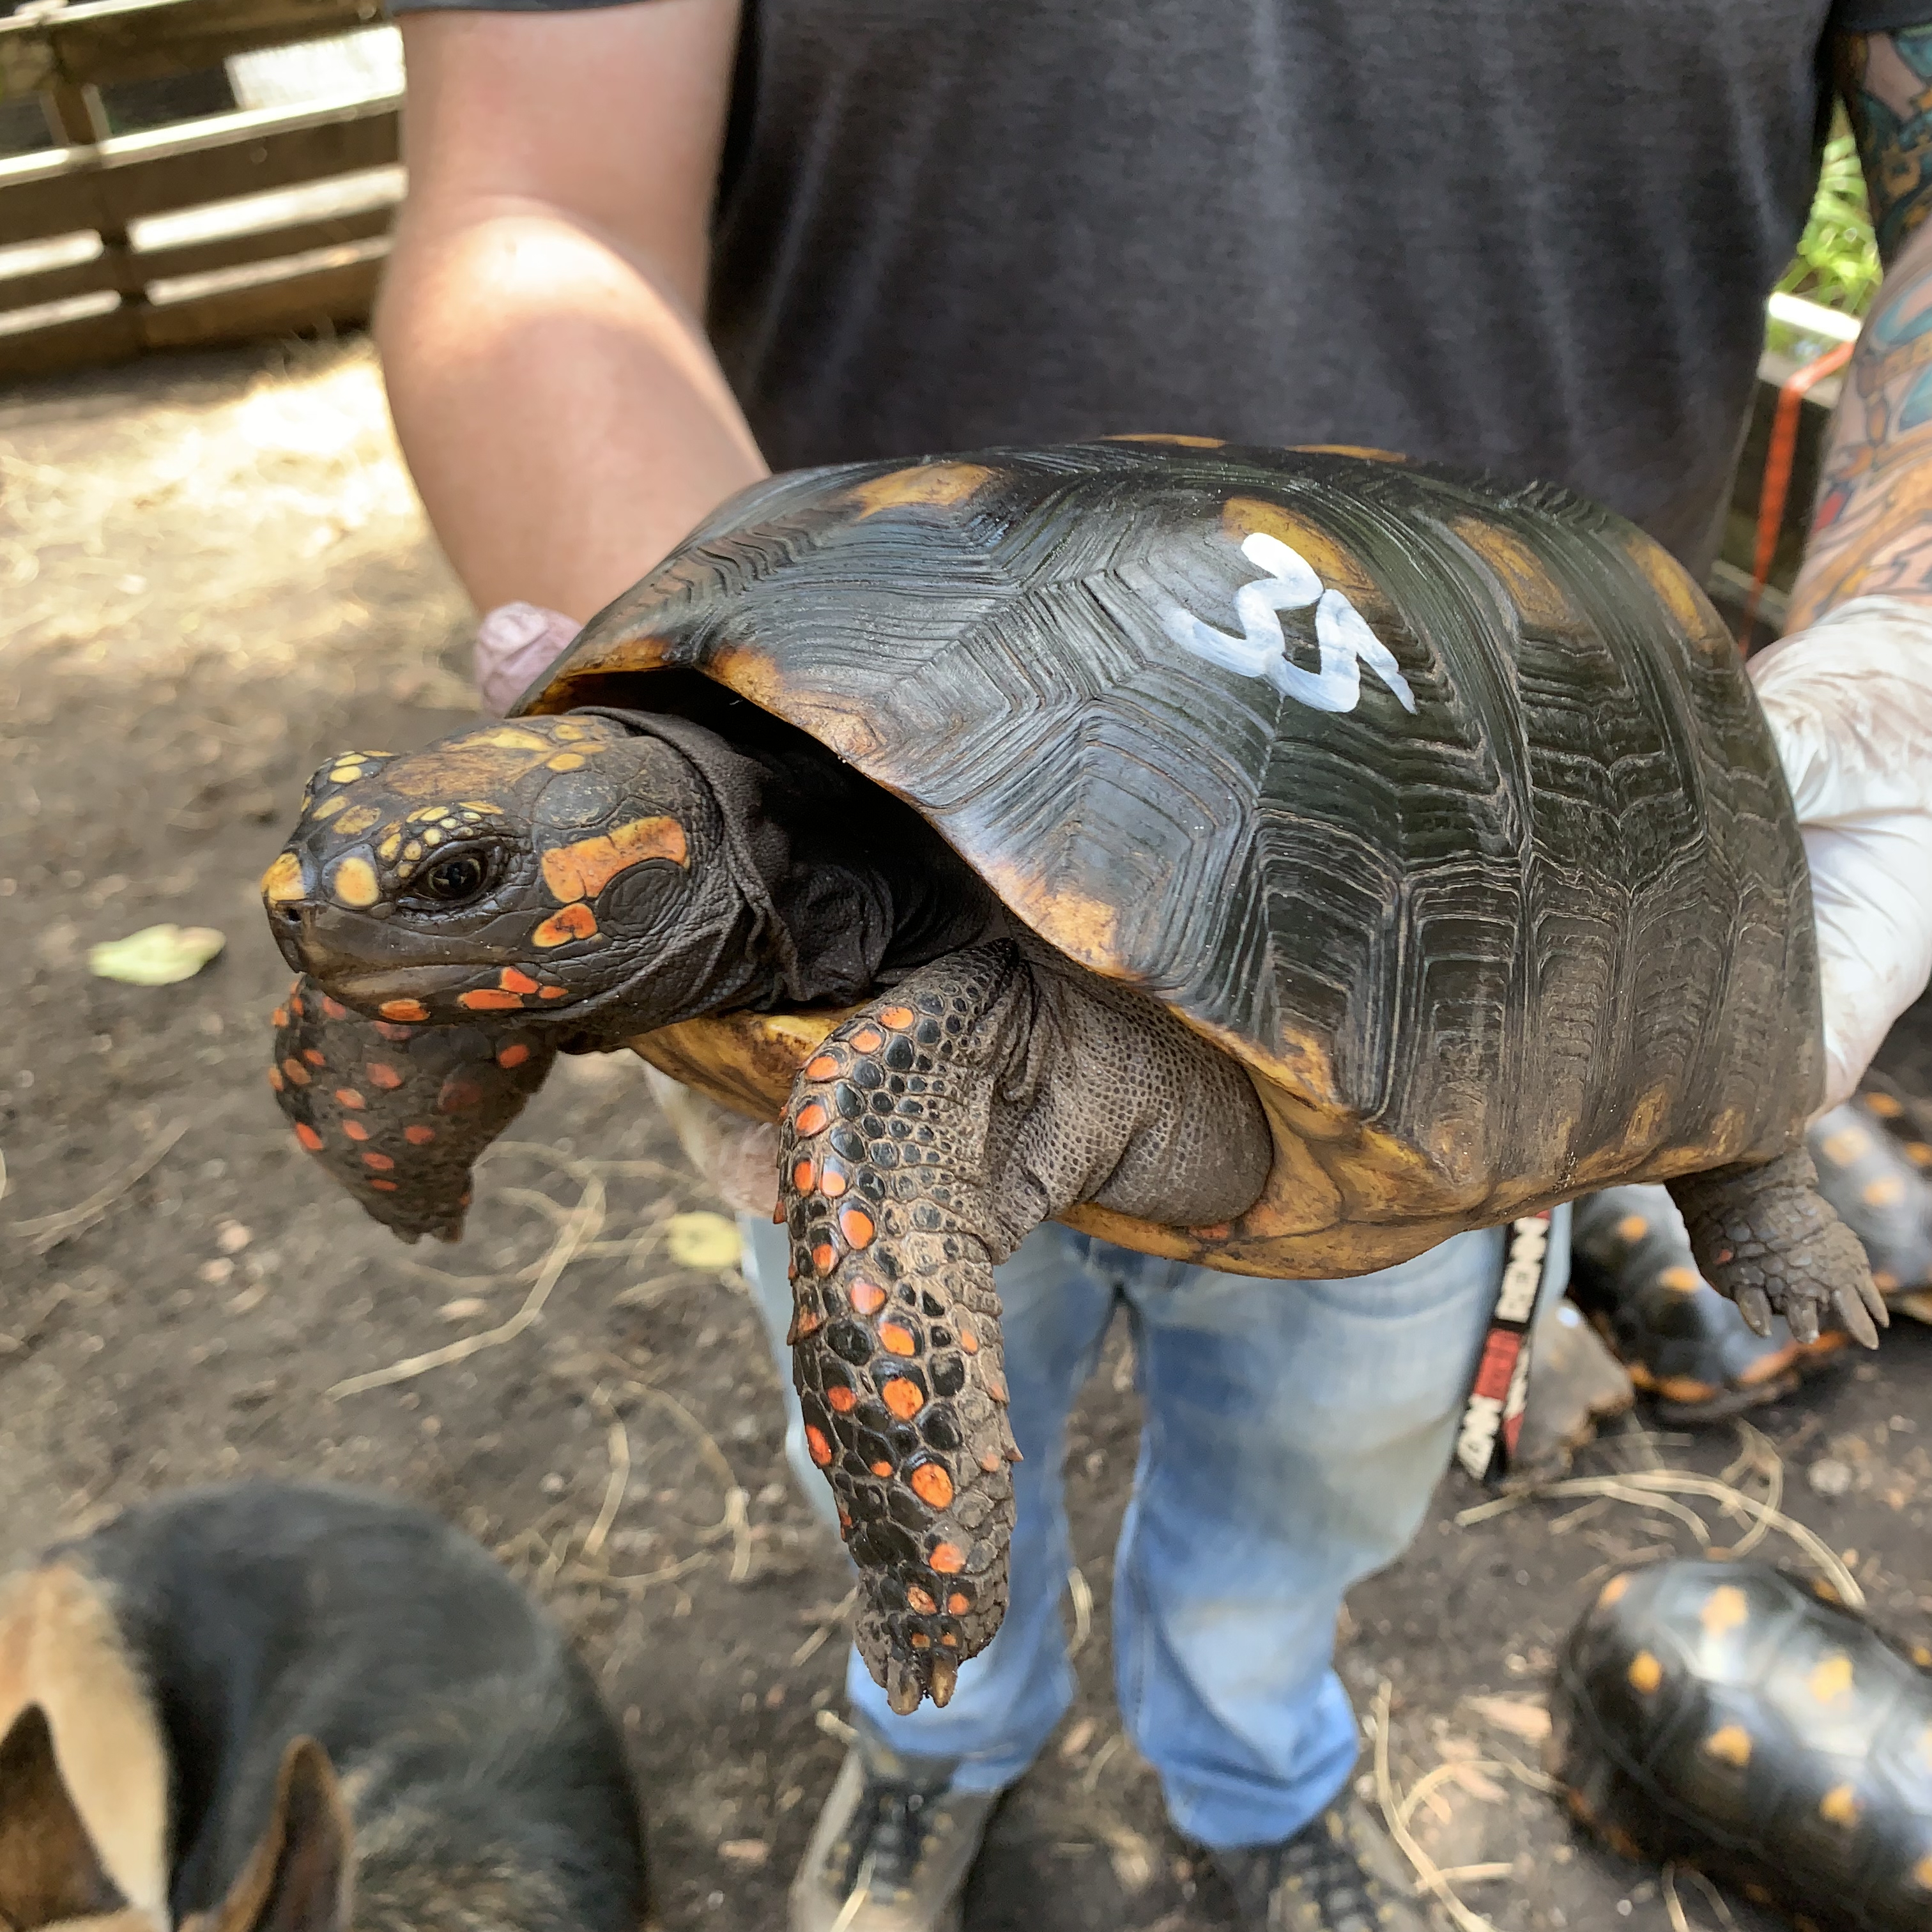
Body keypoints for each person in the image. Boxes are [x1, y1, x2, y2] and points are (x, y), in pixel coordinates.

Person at [369, 8, 1932, 1928]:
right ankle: (935, 1725)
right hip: (841, 654)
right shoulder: (733, 913)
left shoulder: (894, 1075)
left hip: (1481, 723)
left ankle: (1260, 1765)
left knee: (1316, 1467)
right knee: (890, 1437)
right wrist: (594, 787)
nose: (341, 911)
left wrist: (1912, 634)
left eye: (460, 878)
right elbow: (535, 201)